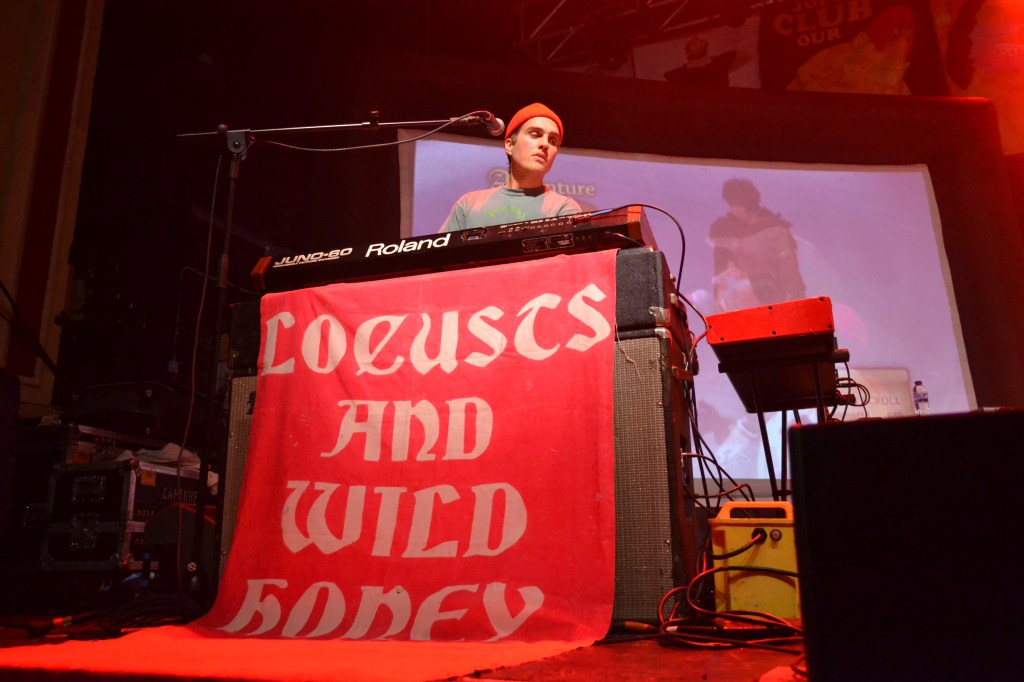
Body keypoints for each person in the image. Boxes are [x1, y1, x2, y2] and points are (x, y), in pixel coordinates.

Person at [439, 103, 581, 233]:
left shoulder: (564, 209)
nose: (545, 144)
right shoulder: (469, 204)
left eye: (553, 141)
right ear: (509, 145)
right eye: (535, 135)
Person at [708, 178, 806, 312]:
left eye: (738, 204)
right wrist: (719, 298)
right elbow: (721, 272)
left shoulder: (775, 231)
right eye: (731, 204)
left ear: (748, 204)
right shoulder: (724, 232)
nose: (734, 209)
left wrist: (792, 307)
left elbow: (790, 275)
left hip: (776, 306)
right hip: (739, 311)